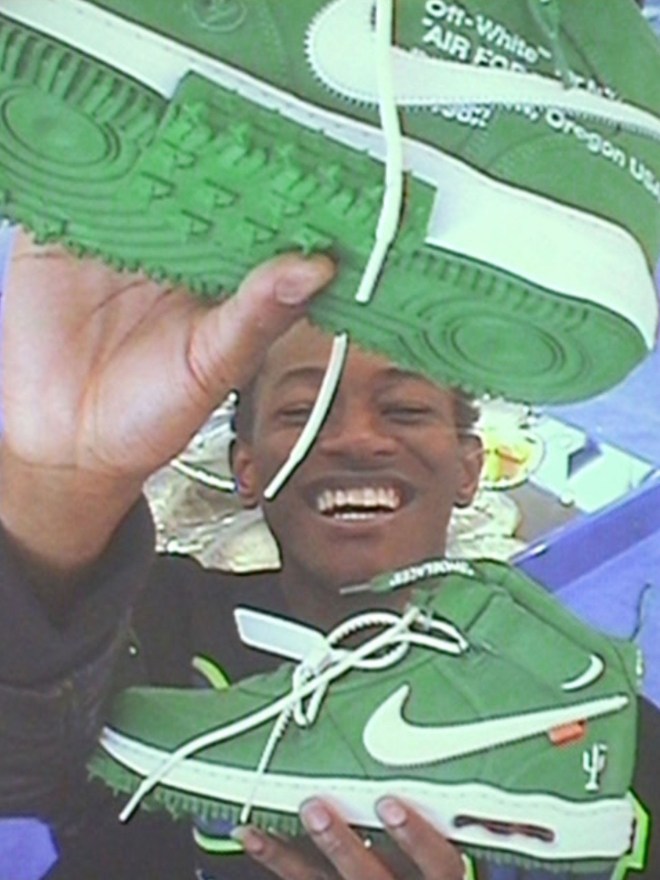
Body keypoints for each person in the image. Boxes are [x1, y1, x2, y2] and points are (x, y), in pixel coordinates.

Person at [0, 229, 658, 880]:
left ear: (469, 468)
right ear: (247, 469)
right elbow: (16, 763)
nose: (356, 438)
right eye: (302, 412)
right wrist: (61, 476)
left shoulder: (597, 732)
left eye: (405, 409)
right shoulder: (154, 626)